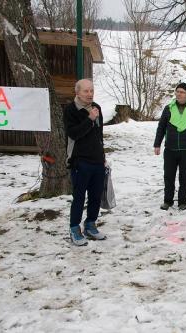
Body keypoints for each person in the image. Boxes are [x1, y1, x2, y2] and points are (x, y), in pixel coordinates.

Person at [63, 79, 107, 246]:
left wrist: (103, 157)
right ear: (77, 92)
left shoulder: (97, 108)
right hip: (80, 161)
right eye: (86, 91)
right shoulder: (71, 110)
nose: (90, 94)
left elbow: (99, 135)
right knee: (79, 197)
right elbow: (73, 134)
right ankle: (74, 228)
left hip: (97, 161)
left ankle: (90, 225)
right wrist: (89, 119)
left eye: (91, 90)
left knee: (96, 196)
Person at [154, 83, 186, 211]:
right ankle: (168, 201)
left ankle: (182, 202)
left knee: (184, 177)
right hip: (170, 148)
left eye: (182, 92)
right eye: (177, 91)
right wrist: (157, 144)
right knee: (169, 176)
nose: (178, 94)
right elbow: (161, 128)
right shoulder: (168, 109)